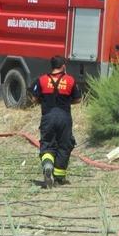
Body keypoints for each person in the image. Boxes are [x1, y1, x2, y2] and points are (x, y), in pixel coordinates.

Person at [29, 56, 83, 189]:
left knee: (47, 144)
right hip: (64, 117)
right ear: (63, 66)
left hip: (47, 117)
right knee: (64, 145)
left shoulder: (41, 80)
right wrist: (65, 101)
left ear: (52, 66)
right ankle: (59, 177)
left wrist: (43, 101)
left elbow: (33, 98)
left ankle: (48, 165)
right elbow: (78, 99)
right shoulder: (70, 80)